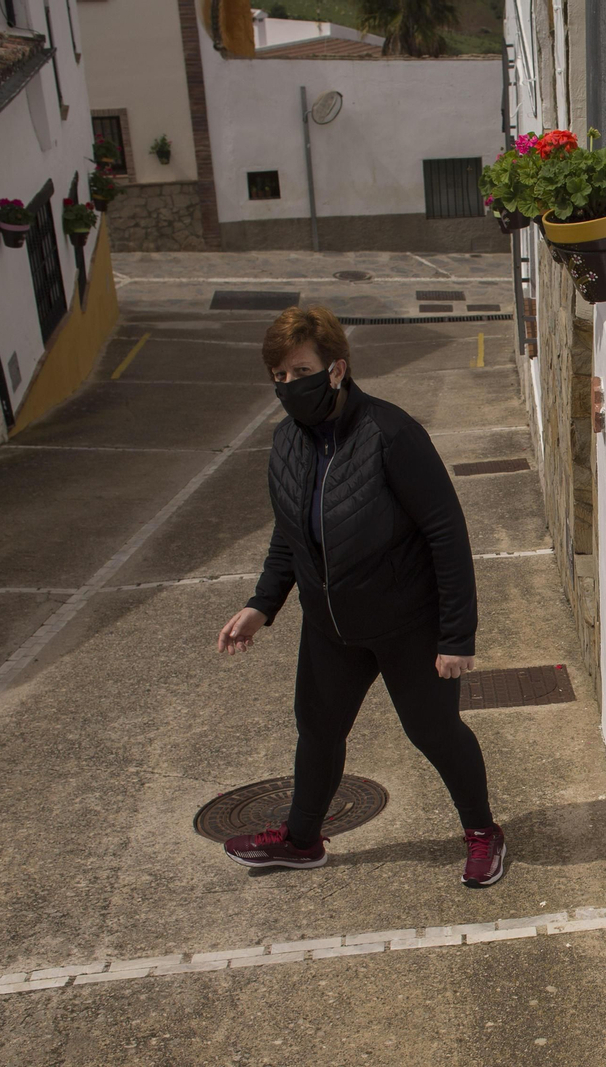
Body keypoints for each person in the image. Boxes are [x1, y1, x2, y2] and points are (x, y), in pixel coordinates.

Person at [215, 305, 505, 889]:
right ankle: (302, 841)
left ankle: (482, 831)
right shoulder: (286, 442)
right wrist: (262, 605)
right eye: (279, 376)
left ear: (337, 369)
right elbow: (289, 534)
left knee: (434, 732)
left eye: (301, 371)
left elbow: (446, 532)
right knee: (318, 731)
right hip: (331, 627)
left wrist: (456, 635)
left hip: (408, 624)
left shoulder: (390, 434)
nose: (289, 386)